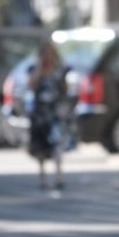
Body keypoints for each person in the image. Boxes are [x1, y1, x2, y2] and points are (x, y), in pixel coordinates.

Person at [28, 41, 73, 190]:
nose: (47, 56)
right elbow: (31, 85)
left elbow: (65, 89)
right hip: (40, 113)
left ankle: (59, 175)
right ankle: (43, 177)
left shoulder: (59, 70)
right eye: (45, 53)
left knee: (57, 143)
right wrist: (39, 68)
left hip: (54, 112)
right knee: (40, 146)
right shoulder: (35, 69)